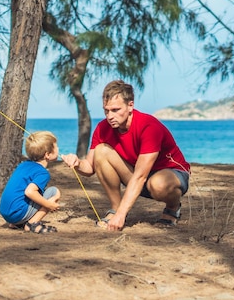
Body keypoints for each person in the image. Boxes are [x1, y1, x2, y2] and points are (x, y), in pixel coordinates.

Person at [61, 80, 190, 231]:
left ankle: (173, 207)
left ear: (130, 106)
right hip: (138, 175)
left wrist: (123, 214)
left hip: (171, 174)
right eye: (106, 110)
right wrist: (77, 163)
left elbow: (140, 176)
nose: (110, 116)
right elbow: (89, 168)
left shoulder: (148, 126)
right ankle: (115, 209)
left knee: (158, 184)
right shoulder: (103, 128)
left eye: (115, 110)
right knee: (102, 150)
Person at [0, 131, 61, 233]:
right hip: (17, 213)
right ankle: (32, 223)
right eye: (56, 146)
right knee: (54, 192)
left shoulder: (23, 165)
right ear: (47, 155)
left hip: (6, 213)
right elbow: (29, 192)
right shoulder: (43, 173)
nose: (58, 149)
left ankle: (16, 223)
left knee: (39, 191)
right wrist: (49, 205)